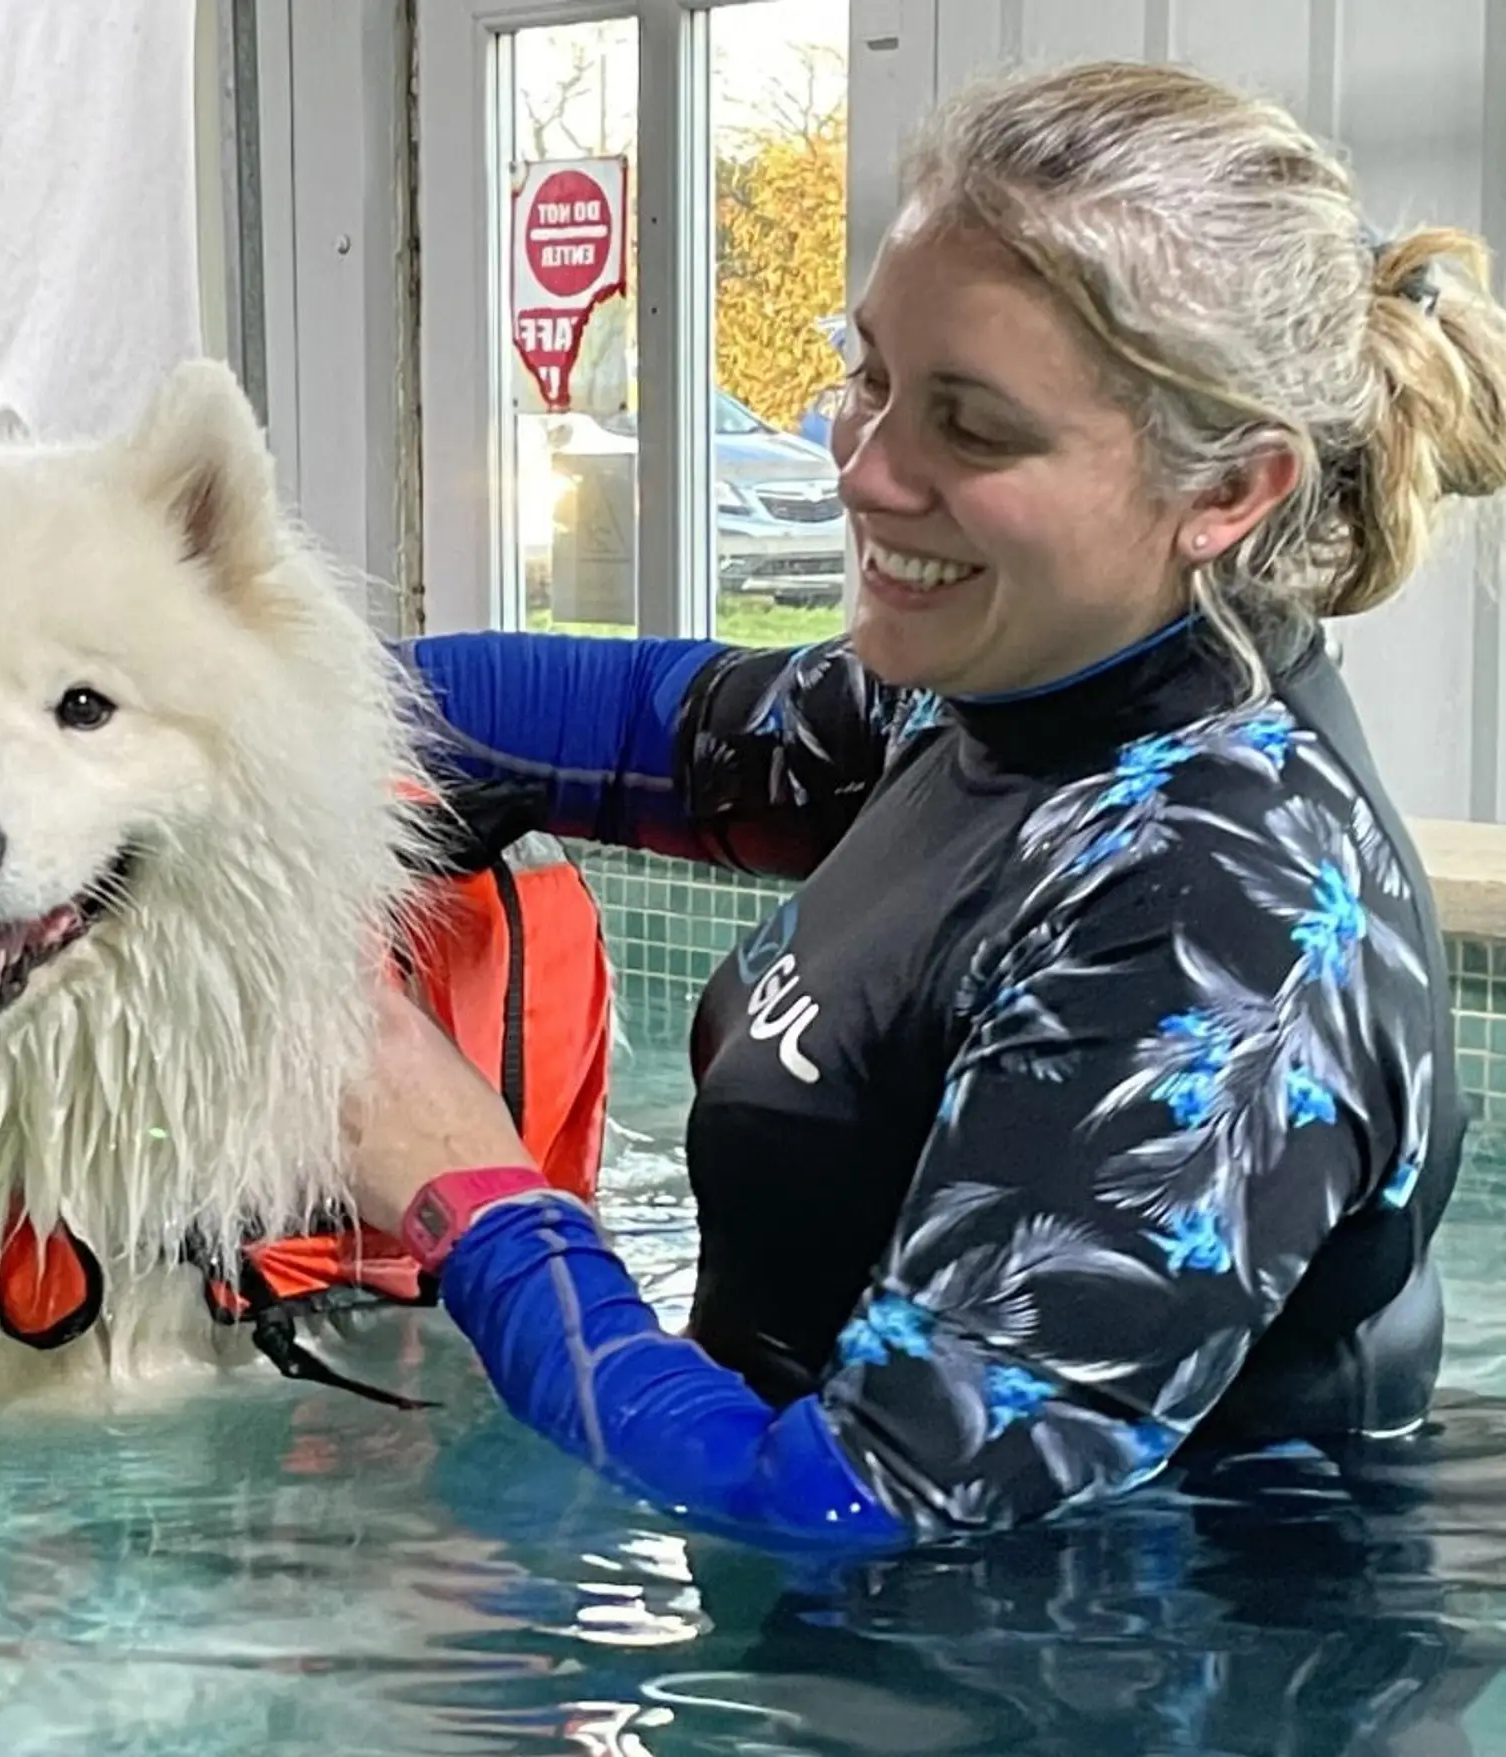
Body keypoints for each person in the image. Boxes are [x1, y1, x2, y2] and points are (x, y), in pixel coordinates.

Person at [340, 59, 1506, 1549]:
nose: (864, 469)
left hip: (1092, 1657)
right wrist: (213, 711)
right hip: (832, 1619)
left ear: (1228, 493)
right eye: (871, 376)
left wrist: (470, 1193)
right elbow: (605, 721)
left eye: (974, 429)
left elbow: (854, 1503)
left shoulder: (1221, 919)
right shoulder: (988, 703)